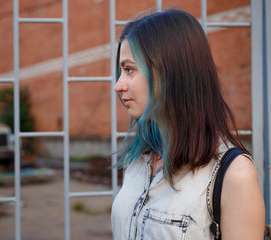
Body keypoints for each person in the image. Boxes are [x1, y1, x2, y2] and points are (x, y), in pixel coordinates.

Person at [111, 8, 265, 240]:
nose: (118, 85)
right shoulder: (139, 160)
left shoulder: (234, 175)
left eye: (129, 69)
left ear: (171, 72)